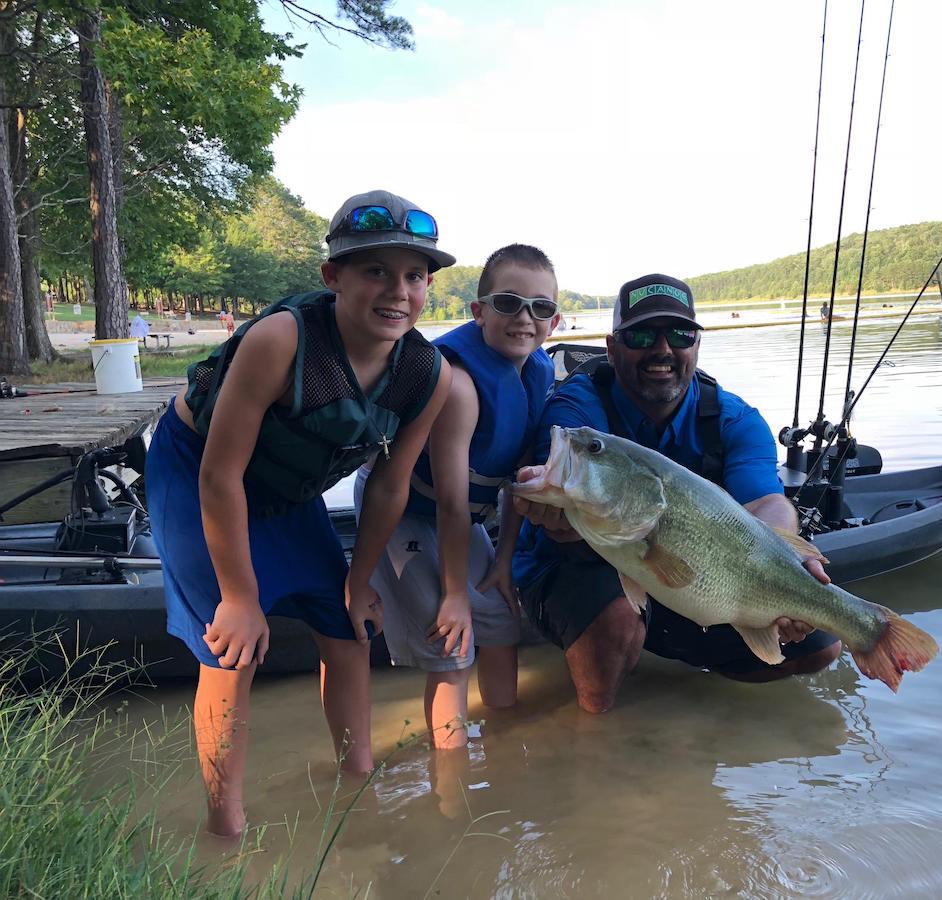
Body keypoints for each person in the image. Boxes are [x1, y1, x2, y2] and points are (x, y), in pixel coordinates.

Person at [144, 189, 454, 835]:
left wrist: (359, 579)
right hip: (202, 466)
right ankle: (225, 822)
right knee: (233, 649)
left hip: (289, 484)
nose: (398, 291)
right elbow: (219, 473)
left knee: (346, 629)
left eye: (414, 276)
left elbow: (391, 486)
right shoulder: (282, 339)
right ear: (332, 277)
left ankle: (356, 779)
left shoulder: (428, 372)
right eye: (375, 271)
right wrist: (238, 595)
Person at [511, 273, 841, 714]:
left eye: (680, 334)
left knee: (820, 646)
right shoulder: (577, 412)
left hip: (695, 577)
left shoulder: (736, 420)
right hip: (580, 568)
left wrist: (789, 570)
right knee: (616, 622)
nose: (662, 349)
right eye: (642, 334)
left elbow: (766, 503)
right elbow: (557, 484)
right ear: (612, 349)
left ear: (696, 346)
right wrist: (561, 517)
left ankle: (680, 716)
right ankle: (598, 724)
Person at [354, 244, 559, 749]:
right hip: (407, 510)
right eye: (509, 304)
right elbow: (449, 500)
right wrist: (452, 596)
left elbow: (519, 482)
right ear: (479, 311)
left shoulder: (539, 373)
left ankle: (505, 746)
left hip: (465, 517)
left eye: (541, 308)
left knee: (499, 620)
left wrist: (504, 560)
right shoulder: (461, 385)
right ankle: (451, 777)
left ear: (555, 322)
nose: (525, 319)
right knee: (453, 642)